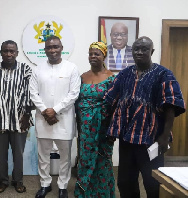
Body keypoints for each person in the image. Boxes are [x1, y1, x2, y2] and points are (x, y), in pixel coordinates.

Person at [104, 36, 186, 198]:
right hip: (127, 139)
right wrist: (111, 130)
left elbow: (171, 106)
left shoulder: (164, 74)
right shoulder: (125, 74)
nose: (139, 52)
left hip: (152, 139)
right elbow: (111, 101)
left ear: (152, 51)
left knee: (153, 183)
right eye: (136, 49)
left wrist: (164, 136)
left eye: (144, 49)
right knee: (125, 182)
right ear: (131, 51)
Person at [30, 36, 81, 198]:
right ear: (45, 50)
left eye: (56, 47)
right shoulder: (38, 69)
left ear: (61, 47)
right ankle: (45, 184)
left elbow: (74, 93)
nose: (52, 50)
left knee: (65, 156)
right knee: (43, 155)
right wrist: (46, 111)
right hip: (43, 119)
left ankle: (63, 186)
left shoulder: (71, 68)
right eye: (49, 47)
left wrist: (55, 110)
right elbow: (33, 93)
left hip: (64, 120)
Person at [0, 40, 33, 193]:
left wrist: (27, 114)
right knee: (0, 154)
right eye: (5, 51)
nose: (8, 54)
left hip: (20, 120)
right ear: (0, 52)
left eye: (12, 51)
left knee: (18, 154)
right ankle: (3, 180)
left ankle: (18, 181)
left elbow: (31, 93)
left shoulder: (26, 69)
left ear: (17, 53)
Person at [74, 42, 115, 198]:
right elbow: (77, 101)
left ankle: (103, 193)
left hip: (103, 125)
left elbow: (115, 104)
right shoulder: (83, 77)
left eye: (96, 54)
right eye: (90, 54)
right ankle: (85, 192)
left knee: (102, 159)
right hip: (84, 126)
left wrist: (112, 128)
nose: (93, 57)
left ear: (104, 55)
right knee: (85, 157)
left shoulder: (111, 78)